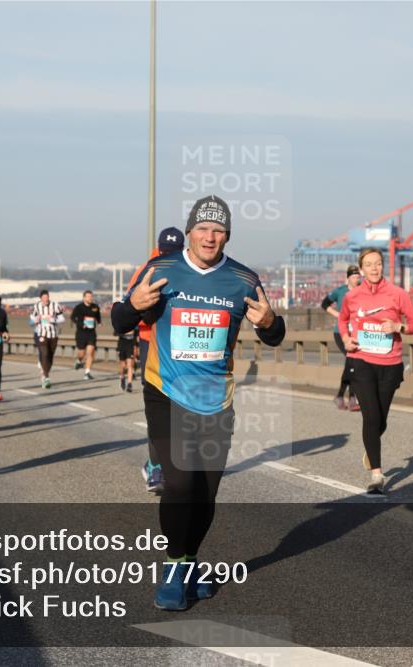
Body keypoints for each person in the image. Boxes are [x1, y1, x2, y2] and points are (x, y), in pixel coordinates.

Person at [112, 195, 286, 610]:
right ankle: (174, 569)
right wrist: (131, 307)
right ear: (189, 231)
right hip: (166, 391)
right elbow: (119, 321)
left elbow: (274, 334)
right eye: (203, 229)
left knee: (206, 493)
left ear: (227, 236)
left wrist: (269, 323)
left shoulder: (243, 279)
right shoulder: (161, 270)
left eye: (219, 230)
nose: (210, 237)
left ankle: (189, 564)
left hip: (216, 399)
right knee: (180, 483)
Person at [339, 247, 413, 495]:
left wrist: (398, 327)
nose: (374, 268)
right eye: (369, 264)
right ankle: (377, 475)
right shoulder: (352, 296)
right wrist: (345, 339)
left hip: (390, 365)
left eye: (378, 263)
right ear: (361, 269)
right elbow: (342, 320)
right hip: (361, 361)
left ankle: (370, 446)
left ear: (383, 266)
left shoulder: (398, 294)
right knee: (371, 417)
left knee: (381, 419)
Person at [128, 226, 185, 493]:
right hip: (151, 342)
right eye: (165, 252)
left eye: (174, 253)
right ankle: (155, 466)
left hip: (181, 345)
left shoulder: (191, 270)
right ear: (158, 249)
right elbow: (130, 305)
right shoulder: (147, 270)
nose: (168, 257)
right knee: (159, 407)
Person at [322, 265, 362, 411]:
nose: (356, 279)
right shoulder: (340, 291)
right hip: (340, 333)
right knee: (352, 362)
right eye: (354, 276)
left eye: (358, 276)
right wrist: (338, 315)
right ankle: (351, 398)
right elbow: (324, 304)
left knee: (352, 364)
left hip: (355, 333)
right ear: (348, 278)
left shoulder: (362, 290)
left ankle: (342, 396)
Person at [29, 290, 65, 389]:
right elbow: (31, 321)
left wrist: (53, 320)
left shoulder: (55, 305)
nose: (45, 299)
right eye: (44, 298)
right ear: (40, 298)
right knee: (44, 353)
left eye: (47, 297)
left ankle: (45, 372)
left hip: (53, 334)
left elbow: (62, 319)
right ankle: (46, 377)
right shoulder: (36, 307)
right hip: (41, 333)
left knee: (50, 356)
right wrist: (36, 320)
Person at [71, 290, 102, 380]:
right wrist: (81, 324)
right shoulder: (79, 307)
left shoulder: (95, 307)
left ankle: (87, 372)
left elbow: (98, 316)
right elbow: (73, 318)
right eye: (88, 297)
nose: (90, 298)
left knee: (90, 352)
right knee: (81, 353)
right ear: (84, 298)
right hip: (81, 333)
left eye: (91, 296)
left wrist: (99, 322)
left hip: (91, 333)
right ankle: (79, 360)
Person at [117, 326, 139, 393]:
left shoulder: (134, 325)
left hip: (131, 345)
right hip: (122, 344)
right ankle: (122, 377)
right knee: (123, 366)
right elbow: (115, 332)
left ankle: (129, 384)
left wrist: (136, 347)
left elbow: (137, 336)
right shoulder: (122, 323)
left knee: (130, 365)